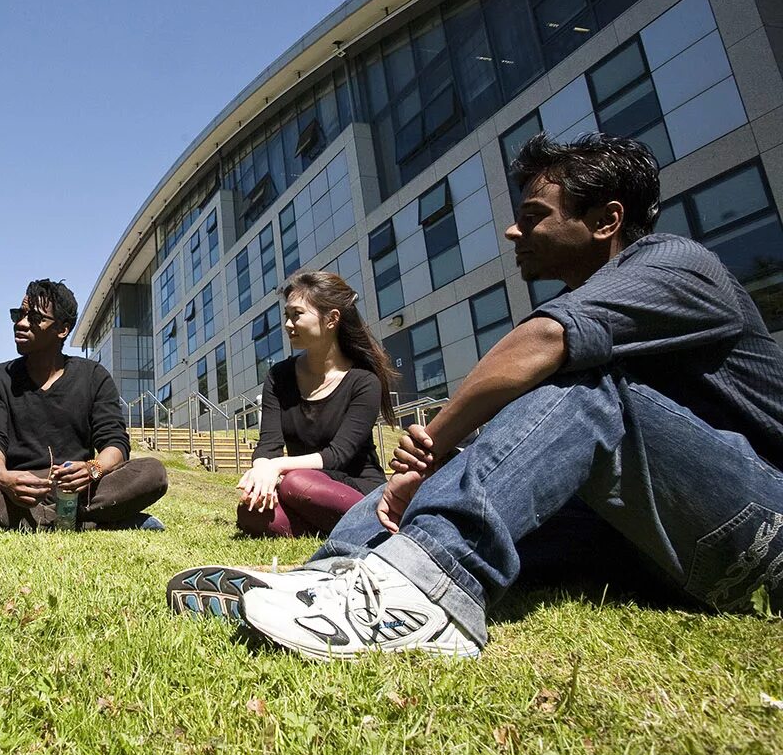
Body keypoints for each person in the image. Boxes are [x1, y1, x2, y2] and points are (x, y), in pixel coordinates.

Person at [228, 132, 783, 659]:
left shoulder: (679, 266)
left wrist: (429, 446)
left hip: (762, 531)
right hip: (659, 541)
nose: (514, 233)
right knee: (470, 471)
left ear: (606, 219)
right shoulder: (592, 305)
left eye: (534, 216)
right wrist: (438, 468)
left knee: (585, 389)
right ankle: (333, 574)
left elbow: (544, 341)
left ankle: (423, 592)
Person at [0, 278, 168, 531]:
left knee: (153, 472)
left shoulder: (93, 376)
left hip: (81, 487)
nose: (21, 324)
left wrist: (94, 469)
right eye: (19, 314)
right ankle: (92, 522)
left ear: (63, 329)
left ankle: (41, 521)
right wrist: (4, 478)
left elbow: (114, 441)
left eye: (35, 318)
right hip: (24, 491)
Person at [235, 270, 396, 539]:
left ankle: (372, 520)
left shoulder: (363, 382)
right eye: (286, 315)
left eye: (296, 314)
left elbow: (338, 455)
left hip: (355, 486)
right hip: (301, 487)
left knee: (298, 483)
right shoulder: (279, 377)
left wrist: (277, 467)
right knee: (252, 511)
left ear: (332, 319)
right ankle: (336, 529)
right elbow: (268, 444)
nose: (287, 324)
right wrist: (262, 468)